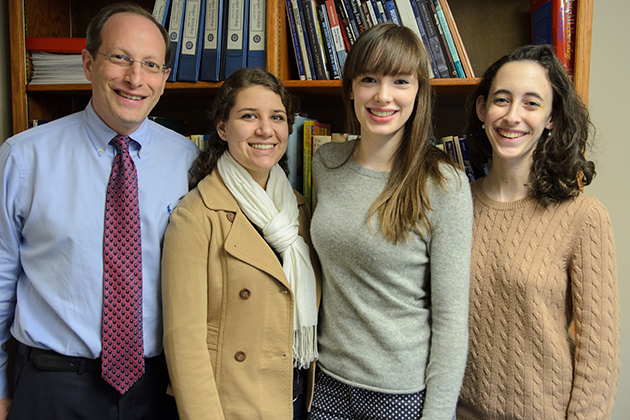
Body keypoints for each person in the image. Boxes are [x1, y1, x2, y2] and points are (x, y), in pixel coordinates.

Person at [0, 3, 199, 419]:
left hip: (157, 390)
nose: (134, 78)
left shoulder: (188, 161)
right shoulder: (23, 158)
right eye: (120, 58)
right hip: (51, 386)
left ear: (164, 78)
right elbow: (0, 281)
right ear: (89, 63)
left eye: (150, 65)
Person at [308, 22, 473, 420]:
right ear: (351, 88)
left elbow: (451, 322)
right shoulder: (325, 163)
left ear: (419, 92)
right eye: (369, 79)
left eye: (400, 80)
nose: (383, 96)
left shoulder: (444, 184)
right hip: (325, 381)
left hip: (399, 395)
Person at [456, 44, 620, 419]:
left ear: (551, 117)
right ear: (482, 109)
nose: (512, 116)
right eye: (502, 99)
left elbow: (599, 357)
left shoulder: (584, 216)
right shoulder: (454, 206)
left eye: (531, 103)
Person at [161, 67, 320, 420]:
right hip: (232, 406)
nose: (265, 129)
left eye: (276, 117)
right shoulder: (196, 216)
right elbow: (183, 344)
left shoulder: (297, 208)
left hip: (294, 399)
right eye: (249, 116)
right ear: (222, 127)